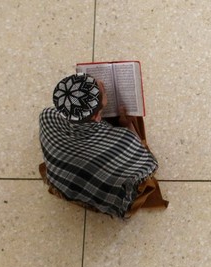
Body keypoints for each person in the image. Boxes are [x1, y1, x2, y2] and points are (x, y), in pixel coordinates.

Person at [39, 73, 168, 218]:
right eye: (103, 92)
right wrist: (127, 124)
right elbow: (149, 164)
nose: (101, 82)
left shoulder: (47, 115)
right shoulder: (123, 140)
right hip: (103, 190)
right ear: (97, 117)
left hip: (63, 181)